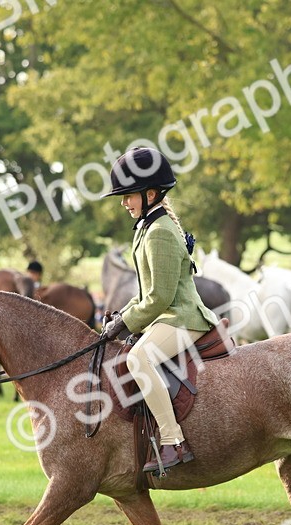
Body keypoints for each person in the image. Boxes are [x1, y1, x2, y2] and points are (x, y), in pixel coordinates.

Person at [100, 146, 219, 476]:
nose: (124, 203)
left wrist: (126, 322)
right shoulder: (147, 228)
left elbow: (161, 297)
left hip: (183, 317)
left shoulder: (161, 233)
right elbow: (144, 292)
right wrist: (120, 315)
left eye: (129, 196)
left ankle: (173, 442)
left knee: (139, 359)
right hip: (167, 313)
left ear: (150, 193)